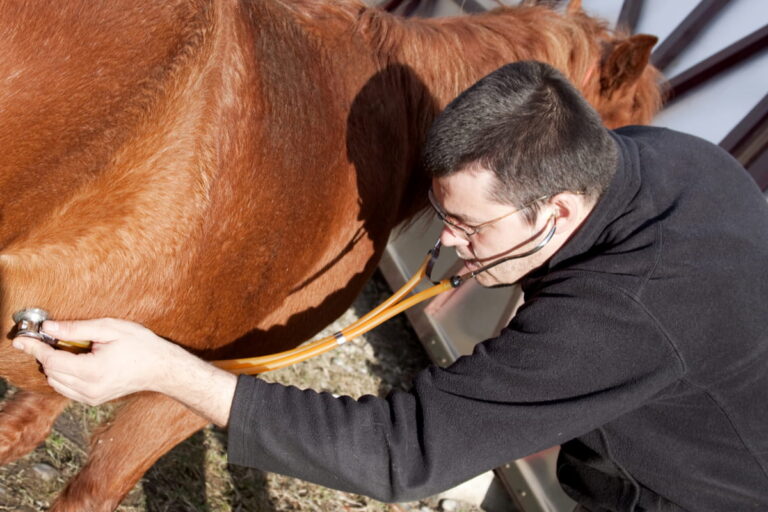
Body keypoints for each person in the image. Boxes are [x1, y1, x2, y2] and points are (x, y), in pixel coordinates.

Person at [13, 61, 768, 511]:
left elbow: (402, 455)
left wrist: (166, 371)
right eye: (441, 213)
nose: (448, 242)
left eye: (472, 227)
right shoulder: (650, 158)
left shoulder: (626, 311)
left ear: (558, 209)